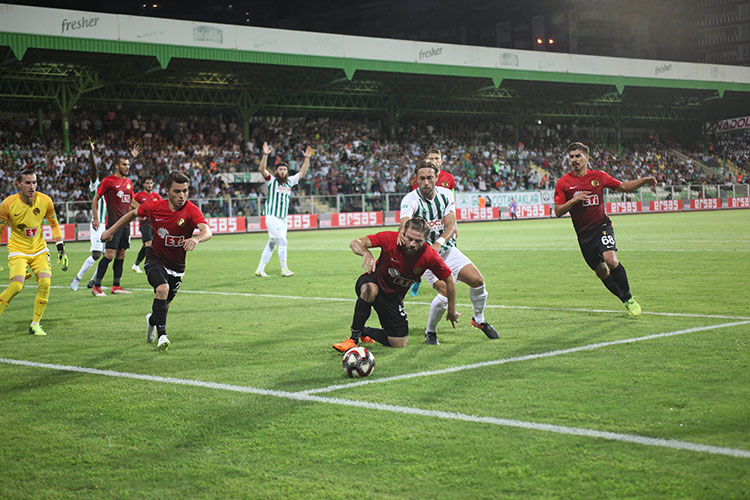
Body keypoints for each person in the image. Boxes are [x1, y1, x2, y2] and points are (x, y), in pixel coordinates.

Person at [101, 171, 212, 351]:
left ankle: (151, 321)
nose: (182, 195)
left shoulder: (191, 210)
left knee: (163, 307)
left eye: (185, 191)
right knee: (162, 289)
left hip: (177, 268)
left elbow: (207, 231)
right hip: (155, 260)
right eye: (177, 191)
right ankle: (163, 336)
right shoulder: (155, 207)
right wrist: (111, 230)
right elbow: (132, 214)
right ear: (167, 191)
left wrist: (197, 238)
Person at [399, 160, 499, 345]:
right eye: (422, 179)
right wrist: (404, 232)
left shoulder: (445, 195)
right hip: (425, 257)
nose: (426, 182)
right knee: (445, 290)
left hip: (446, 250)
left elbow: (451, 225)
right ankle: (430, 332)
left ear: (437, 177)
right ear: (417, 180)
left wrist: (439, 243)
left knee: (478, 281)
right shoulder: (410, 200)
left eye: (430, 178)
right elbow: (405, 222)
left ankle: (479, 319)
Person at [554, 142, 657, 316]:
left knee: (611, 260)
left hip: (602, 227)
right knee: (602, 272)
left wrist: (644, 181)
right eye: (571, 156)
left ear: (587, 157)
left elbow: (623, 187)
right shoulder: (564, 183)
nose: (574, 160)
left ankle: (630, 298)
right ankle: (624, 300)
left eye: (578, 156)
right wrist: (574, 200)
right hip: (583, 235)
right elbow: (557, 211)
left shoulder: (598, 176)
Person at [332, 217, 459, 352]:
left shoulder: (429, 256)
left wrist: (451, 309)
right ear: (403, 233)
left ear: (426, 240)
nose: (412, 244)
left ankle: (364, 331)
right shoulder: (390, 239)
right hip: (373, 282)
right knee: (369, 289)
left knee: (399, 343)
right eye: (409, 238)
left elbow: (449, 279)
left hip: (393, 298)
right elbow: (355, 243)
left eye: (418, 241)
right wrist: (366, 252)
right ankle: (353, 339)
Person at [0, 169, 69, 335]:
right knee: (17, 286)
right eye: (28, 183)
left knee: (45, 283)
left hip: (39, 249)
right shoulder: (8, 204)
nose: (32, 186)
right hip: (18, 249)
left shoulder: (45, 201)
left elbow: (54, 224)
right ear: (19, 184)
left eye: (34, 182)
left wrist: (60, 248)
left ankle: (35, 324)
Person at [255, 142, 312, 277]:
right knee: (283, 241)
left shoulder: (290, 182)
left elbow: (302, 172)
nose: (282, 171)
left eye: (284, 170)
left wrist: (307, 158)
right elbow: (262, 169)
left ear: (287, 172)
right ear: (276, 172)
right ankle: (284, 268)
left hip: (283, 219)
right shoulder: (272, 180)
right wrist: (265, 155)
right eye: (280, 170)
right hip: (271, 216)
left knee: (272, 243)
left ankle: (260, 269)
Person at [90, 145, 141, 296]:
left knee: (121, 254)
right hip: (113, 224)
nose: (127, 167)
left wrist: (146, 209)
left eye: (128, 164)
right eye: (124, 165)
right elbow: (95, 198)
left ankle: (116, 286)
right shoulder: (108, 181)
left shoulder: (128, 182)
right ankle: (96, 286)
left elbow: (131, 201)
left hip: (126, 224)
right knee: (109, 255)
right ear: (117, 166)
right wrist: (95, 218)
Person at [409, 147, 456, 297]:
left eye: (437, 158)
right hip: (426, 222)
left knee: (446, 249)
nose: (434, 161)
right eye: (431, 159)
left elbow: (452, 202)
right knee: (423, 252)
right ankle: (418, 277)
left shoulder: (449, 179)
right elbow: (416, 200)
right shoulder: (422, 177)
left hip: (443, 223)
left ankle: (443, 275)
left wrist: (455, 225)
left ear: (441, 161)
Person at [70, 137, 111, 291]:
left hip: (109, 225)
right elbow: (94, 170)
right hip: (98, 223)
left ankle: (94, 281)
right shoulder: (96, 185)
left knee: (109, 255)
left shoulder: (112, 189)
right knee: (96, 254)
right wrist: (91, 153)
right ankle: (77, 278)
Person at [131, 176, 163, 273]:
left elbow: (161, 208)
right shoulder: (139, 195)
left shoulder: (157, 196)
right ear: (144, 184)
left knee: (146, 245)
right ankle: (149, 264)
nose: (149, 185)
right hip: (145, 222)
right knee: (149, 243)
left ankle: (136, 265)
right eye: (147, 183)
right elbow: (131, 204)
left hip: (154, 223)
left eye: (151, 183)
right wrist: (140, 211)